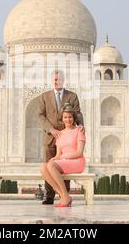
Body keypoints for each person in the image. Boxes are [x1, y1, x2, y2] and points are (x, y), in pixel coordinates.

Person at [38, 69, 84, 205]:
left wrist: (80, 125)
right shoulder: (44, 96)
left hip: (67, 137)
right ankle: (51, 195)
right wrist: (51, 129)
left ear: (64, 80)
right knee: (48, 166)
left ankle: (65, 194)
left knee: (65, 166)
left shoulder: (72, 96)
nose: (57, 81)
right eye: (55, 79)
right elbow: (40, 116)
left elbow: (77, 113)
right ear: (51, 81)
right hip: (50, 137)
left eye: (59, 79)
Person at [40, 103, 86, 207]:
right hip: (64, 161)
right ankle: (64, 196)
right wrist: (54, 158)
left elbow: (79, 152)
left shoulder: (79, 131)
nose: (68, 119)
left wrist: (60, 158)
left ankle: (65, 196)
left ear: (74, 118)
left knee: (51, 166)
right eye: (65, 117)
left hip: (77, 161)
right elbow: (58, 154)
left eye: (70, 117)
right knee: (43, 167)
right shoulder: (60, 134)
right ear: (62, 118)